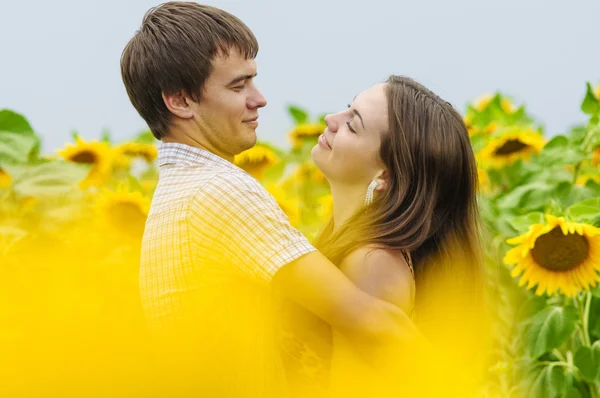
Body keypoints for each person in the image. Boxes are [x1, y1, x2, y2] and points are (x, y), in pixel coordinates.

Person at [120, 2, 419, 396]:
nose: (259, 99)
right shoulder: (220, 191)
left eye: (253, 81)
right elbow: (369, 321)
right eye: (237, 85)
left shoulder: (180, 192)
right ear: (180, 101)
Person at [282, 76, 488, 397]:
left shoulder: (373, 263)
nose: (331, 120)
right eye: (347, 108)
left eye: (353, 125)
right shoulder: (354, 245)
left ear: (385, 176)